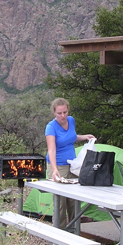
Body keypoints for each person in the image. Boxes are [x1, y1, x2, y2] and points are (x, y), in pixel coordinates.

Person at [45, 97, 96, 229]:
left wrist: (84, 137)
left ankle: (74, 230)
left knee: (73, 200)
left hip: (72, 165)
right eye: (59, 113)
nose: (63, 116)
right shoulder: (51, 127)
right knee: (60, 202)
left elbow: (71, 138)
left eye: (65, 112)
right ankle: (59, 233)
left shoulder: (71, 121)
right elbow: (51, 149)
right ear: (54, 113)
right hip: (58, 166)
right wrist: (54, 169)